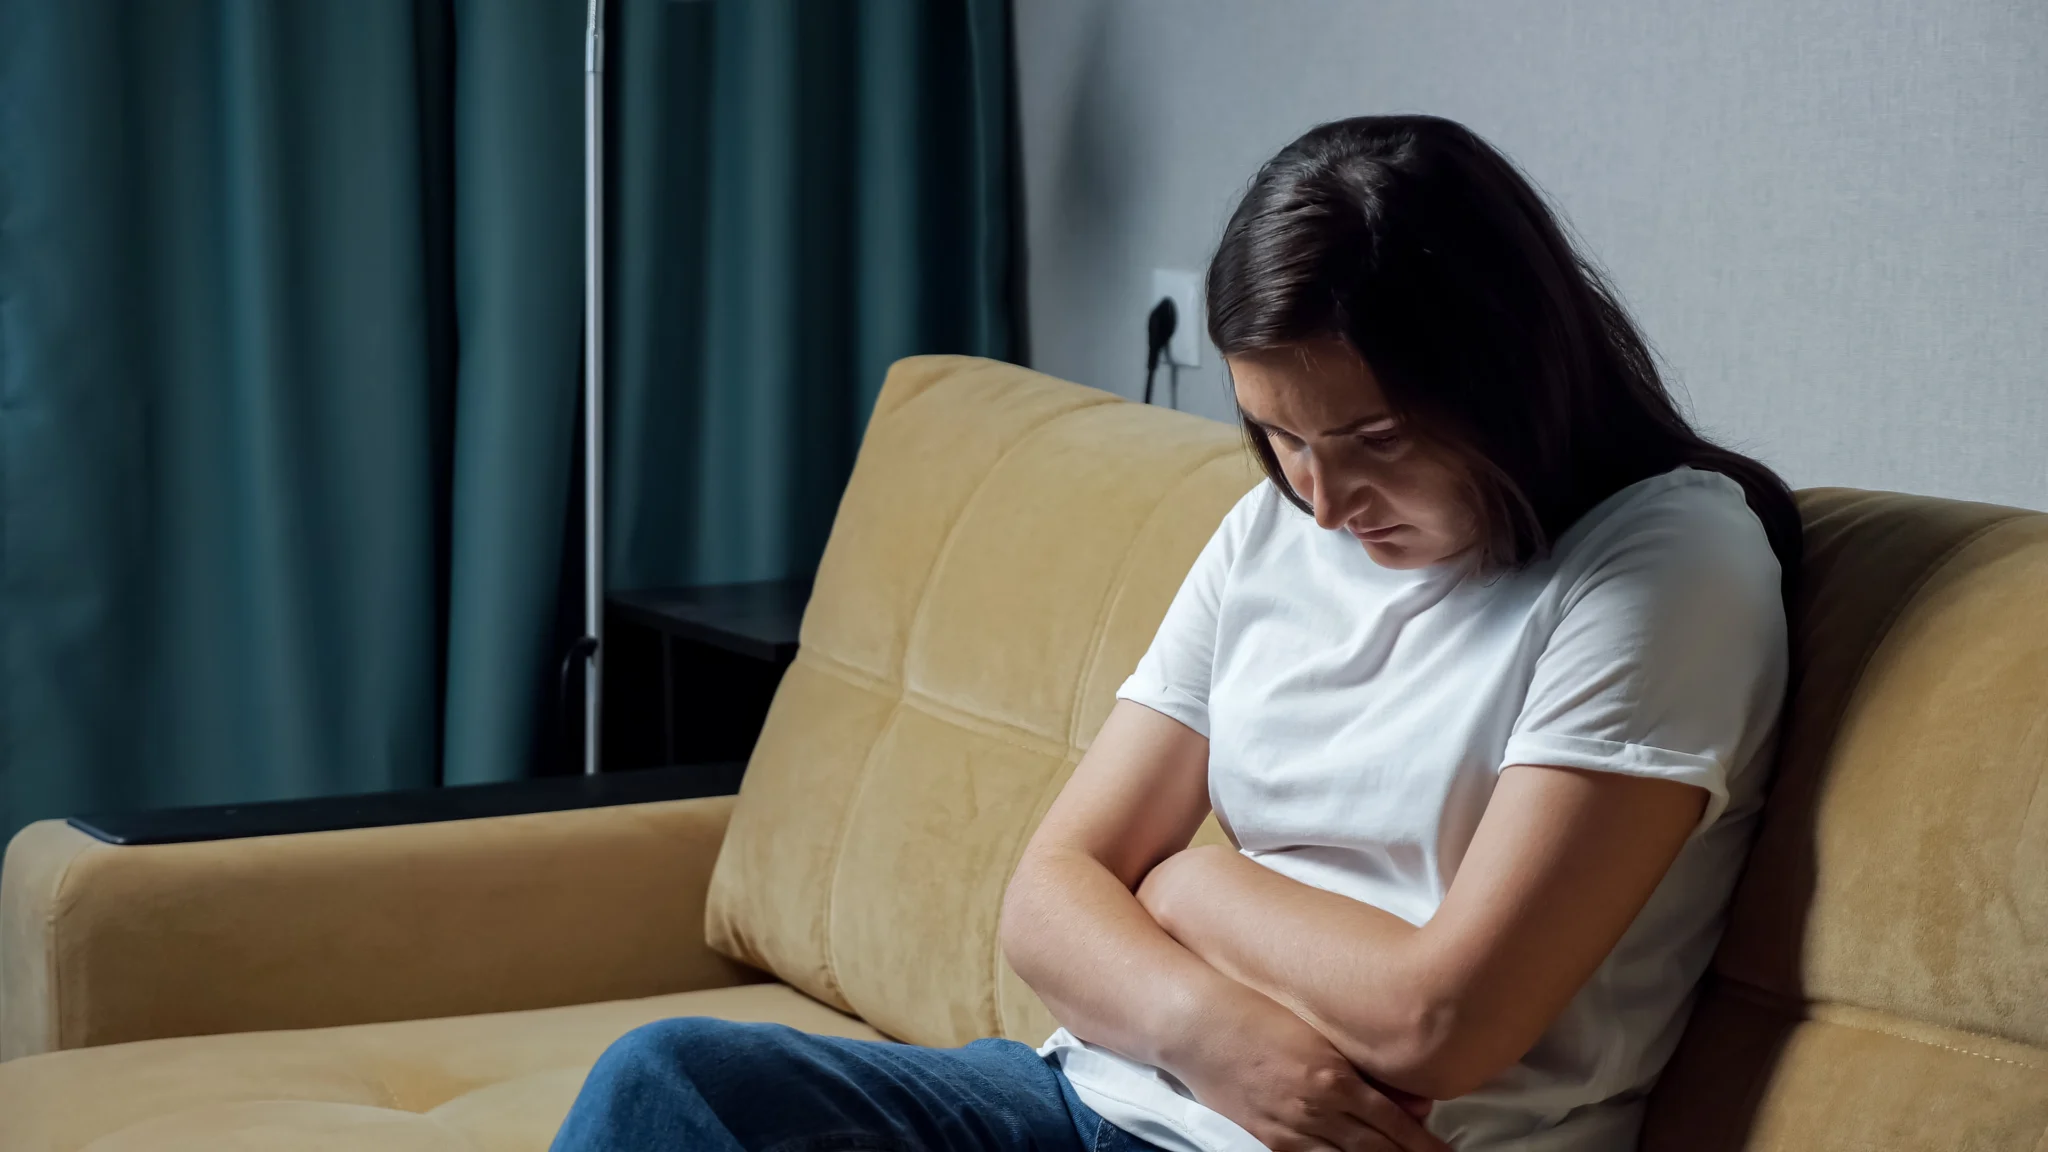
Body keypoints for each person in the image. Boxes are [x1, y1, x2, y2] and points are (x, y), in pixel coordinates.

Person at [549, 114, 1796, 1152]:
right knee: (671, 1084)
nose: (1319, 497)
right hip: (1100, 1098)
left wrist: (1188, 879)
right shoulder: (1269, 533)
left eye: (1370, 441)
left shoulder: (1662, 564)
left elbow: (1441, 1021)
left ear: (1510, 374)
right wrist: (1212, 1035)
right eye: (1279, 435)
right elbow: (1043, 902)